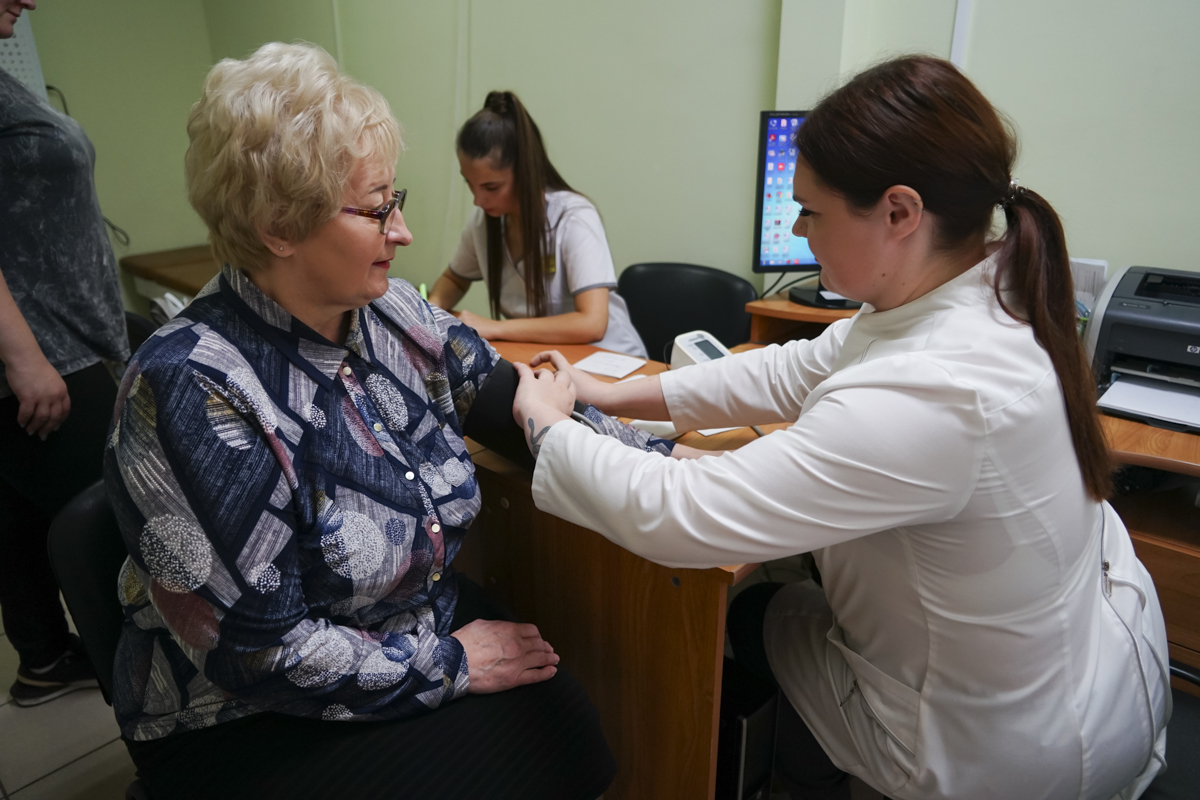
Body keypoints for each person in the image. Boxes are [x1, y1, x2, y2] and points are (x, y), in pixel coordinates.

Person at [510, 56, 1170, 800]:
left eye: (811, 211)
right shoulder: (981, 292)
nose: (798, 230)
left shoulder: (936, 389)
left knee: (760, 606)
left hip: (998, 758)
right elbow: (788, 370)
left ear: (899, 213)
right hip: (1079, 677)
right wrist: (608, 392)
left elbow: (684, 513)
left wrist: (550, 429)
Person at [104, 43, 673, 799]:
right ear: (279, 226)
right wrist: (452, 665)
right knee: (538, 758)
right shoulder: (193, 387)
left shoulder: (392, 313)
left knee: (573, 731)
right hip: (248, 709)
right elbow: (256, 653)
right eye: (377, 209)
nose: (402, 231)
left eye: (393, 199)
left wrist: (669, 470)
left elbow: (518, 403)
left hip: (404, 622)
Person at [0, 0, 127, 707]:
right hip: (46, 355)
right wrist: (24, 358)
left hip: (53, 343)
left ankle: (43, 659)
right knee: (115, 528)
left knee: (16, 521)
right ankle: (154, 690)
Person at [427, 91, 647, 358]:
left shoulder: (574, 218)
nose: (478, 200)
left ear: (524, 172)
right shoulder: (484, 221)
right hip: (544, 357)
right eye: (469, 184)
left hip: (612, 360)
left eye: (491, 187)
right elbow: (454, 279)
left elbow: (592, 323)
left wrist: (494, 327)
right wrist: (429, 312)